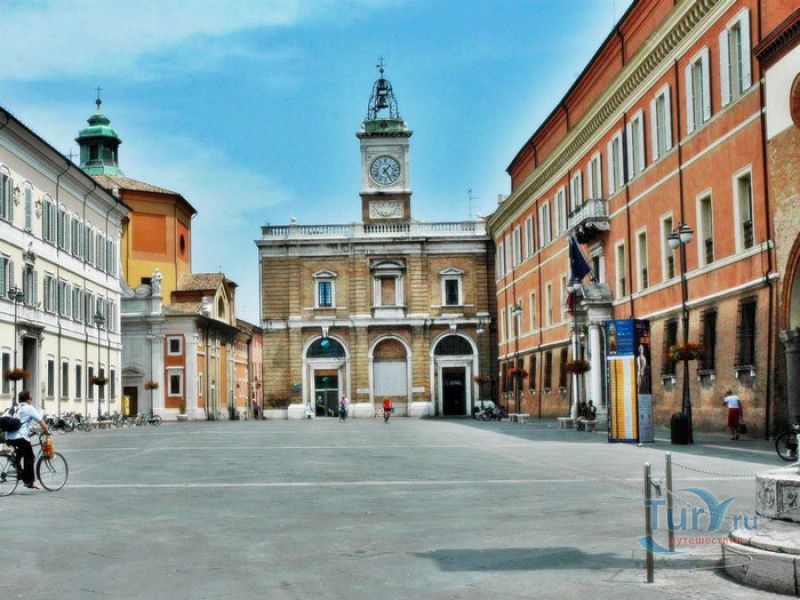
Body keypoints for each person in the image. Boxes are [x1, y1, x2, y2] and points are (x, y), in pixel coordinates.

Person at [5, 390, 51, 489]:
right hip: (20, 437)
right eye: (31, 398)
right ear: (27, 399)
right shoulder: (29, 408)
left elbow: (22, 422)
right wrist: (47, 431)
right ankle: (29, 482)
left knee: (21, 453)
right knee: (29, 457)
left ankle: (18, 469)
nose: (32, 400)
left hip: (9, 437)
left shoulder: (15, 407)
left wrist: (32, 430)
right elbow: (40, 421)